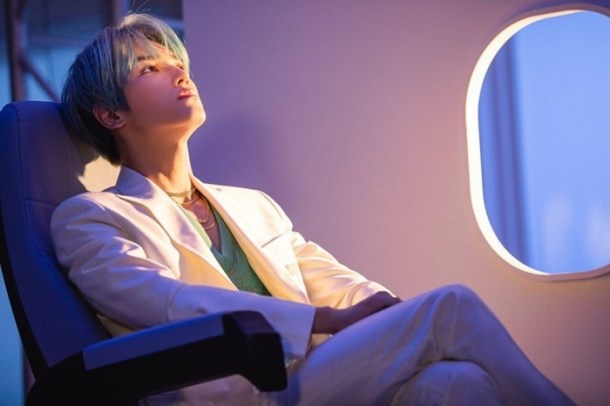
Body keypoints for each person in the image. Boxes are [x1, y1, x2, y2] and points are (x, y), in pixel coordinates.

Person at [51, 13, 573, 406]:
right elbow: (171, 304)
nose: (179, 75)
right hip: (237, 393)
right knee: (450, 306)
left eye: (177, 64)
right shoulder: (90, 218)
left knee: (459, 382)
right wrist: (330, 320)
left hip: (312, 374)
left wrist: (387, 314)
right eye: (150, 68)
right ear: (111, 114)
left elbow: (332, 281)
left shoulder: (251, 205)